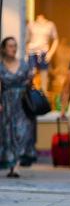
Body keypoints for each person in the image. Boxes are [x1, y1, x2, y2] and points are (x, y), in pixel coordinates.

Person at [0, 37, 36, 178]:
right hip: (7, 103)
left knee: (22, 132)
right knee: (8, 134)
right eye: (10, 46)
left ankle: (17, 165)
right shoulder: (1, 66)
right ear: (3, 48)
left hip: (22, 103)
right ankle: (11, 163)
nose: (13, 49)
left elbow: (29, 85)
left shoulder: (24, 64)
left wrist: (31, 78)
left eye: (15, 46)